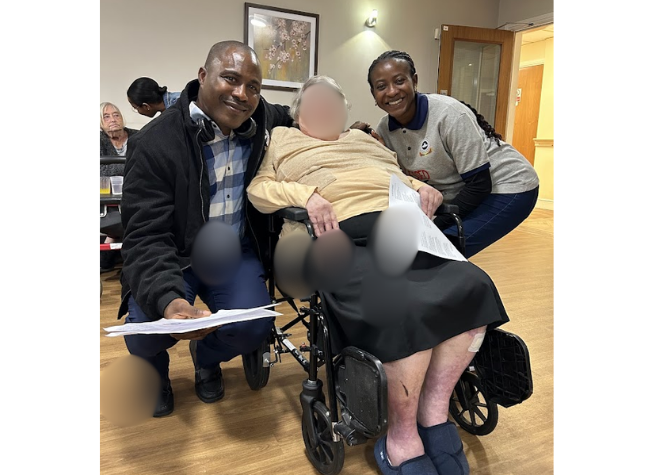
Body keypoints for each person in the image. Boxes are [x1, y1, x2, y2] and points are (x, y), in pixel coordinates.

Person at [247, 75, 509, 475]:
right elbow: (259, 190)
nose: (325, 110)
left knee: (473, 284)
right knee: (399, 305)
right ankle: (402, 436)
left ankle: (433, 412)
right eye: (315, 105)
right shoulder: (282, 139)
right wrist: (305, 196)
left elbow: (396, 175)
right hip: (338, 238)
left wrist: (423, 190)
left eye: (333, 103)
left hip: (404, 232)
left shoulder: (364, 140)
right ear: (299, 115)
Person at [118, 40, 294, 418]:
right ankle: (156, 375)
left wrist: (354, 135)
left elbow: (303, 116)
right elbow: (145, 234)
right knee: (143, 332)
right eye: (230, 78)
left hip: (233, 251)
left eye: (253, 86)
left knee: (254, 326)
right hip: (175, 254)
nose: (241, 93)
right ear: (202, 76)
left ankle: (207, 356)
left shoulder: (264, 119)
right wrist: (169, 300)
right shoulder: (153, 143)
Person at [367, 50, 540, 258]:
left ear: (414, 81)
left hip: (508, 186)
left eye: (399, 81)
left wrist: (433, 225)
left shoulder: (448, 114)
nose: (392, 91)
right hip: (464, 192)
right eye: (381, 86)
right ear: (374, 94)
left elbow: (479, 185)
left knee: (437, 252)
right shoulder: (385, 129)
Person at [99, 102, 137, 272]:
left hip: (137, 195)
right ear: (101, 123)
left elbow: (149, 164)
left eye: (116, 115)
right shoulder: (100, 140)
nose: (113, 119)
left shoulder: (138, 136)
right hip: (108, 202)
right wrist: (131, 166)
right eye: (106, 117)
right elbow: (102, 170)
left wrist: (117, 168)